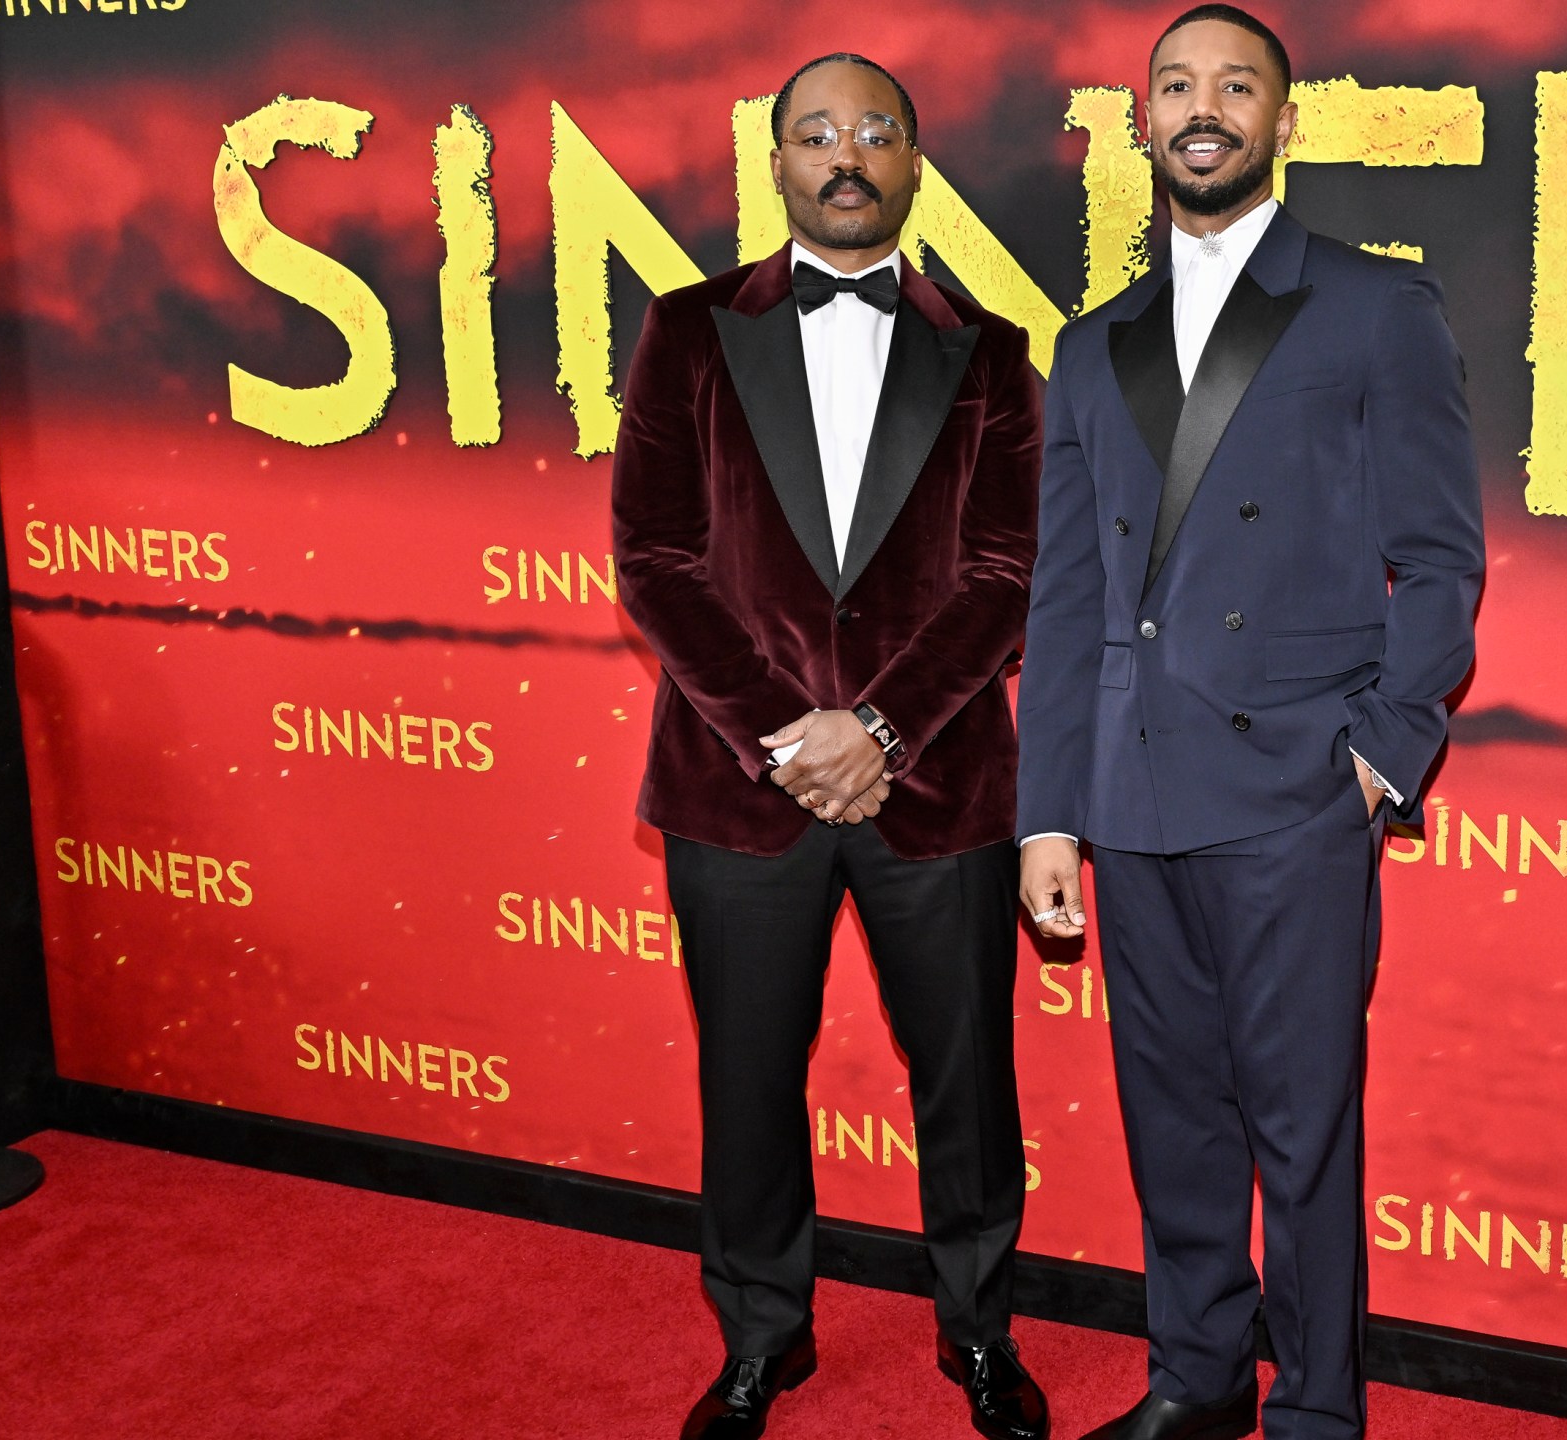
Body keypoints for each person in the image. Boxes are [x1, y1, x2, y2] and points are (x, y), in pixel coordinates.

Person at [1013, 7, 1485, 1437]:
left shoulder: (1372, 305)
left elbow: (1442, 556)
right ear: (1140, 120)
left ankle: (1319, 1415)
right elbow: (1067, 592)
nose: (1202, 108)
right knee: (1176, 1127)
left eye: (1236, 86)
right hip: (1137, 795)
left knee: (1305, 1140)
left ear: (1286, 120)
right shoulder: (1092, 345)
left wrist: (1380, 754)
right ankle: (1197, 1383)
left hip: (1293, 795)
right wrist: (1048, 805)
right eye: (1175, 86)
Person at [611, 53, 1048, 1440]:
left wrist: (880, 730)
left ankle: (979, 1336)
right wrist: (784, 736)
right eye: (817, 134)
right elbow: (657, 558)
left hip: (943, 792)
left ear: (914, 162)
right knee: (746, 1080)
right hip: (741, 794)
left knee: (968, 1088)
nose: (845, 156)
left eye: (874, 133)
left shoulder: (991, 352)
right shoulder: (685, 332)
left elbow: (1004, 570)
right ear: (778, 160)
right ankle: (760, 1339)